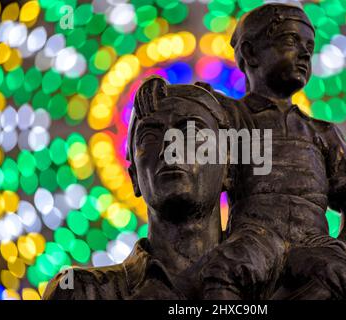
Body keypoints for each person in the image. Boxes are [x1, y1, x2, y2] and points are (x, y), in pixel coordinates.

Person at [190, 3, 346, 300]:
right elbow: (186, 109)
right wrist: (155, 92)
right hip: (253, 238)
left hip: (314, 243)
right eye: (291, 41)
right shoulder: (229, 116)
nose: (304, 54)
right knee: (222, 271)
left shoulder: (322, 132)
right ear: (250, 53)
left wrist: (343, 246)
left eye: (309, 47)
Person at [42, 77, 231, 299]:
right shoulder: (81, 291)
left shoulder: (274, 289)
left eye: (191, 133)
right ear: (134, 178)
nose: (170, 149)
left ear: (229, 168)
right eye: (150, 137)